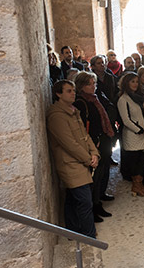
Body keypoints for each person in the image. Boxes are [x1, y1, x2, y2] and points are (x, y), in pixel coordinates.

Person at [47, 80, 99, 238]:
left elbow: (84, 135)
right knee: (84, 200)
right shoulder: (56, 116)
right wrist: (87, 159)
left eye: (73, 90)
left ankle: (72, 230)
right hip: (70, 164)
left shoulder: (73, 111)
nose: (73, 93)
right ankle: (89, 235)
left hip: (81, 161)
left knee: (72, 198)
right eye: (69, 91)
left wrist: (94, 153)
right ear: (58, 94)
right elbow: (69, 143)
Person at [73, 71, 115, 221]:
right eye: (89, 84)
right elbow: (82, 127)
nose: (93, 86)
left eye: (94, 83)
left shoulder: (95, 99)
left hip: (102, 140)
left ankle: (98, 200)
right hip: (93, 143)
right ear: (81, 86)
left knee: (102, 172)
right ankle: (93, 207)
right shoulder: (81, 102)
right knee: (94, 176)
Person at [117, 72, 144, 197]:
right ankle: (137, 185)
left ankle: (138, 184)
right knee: (135, 161)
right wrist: (141, 130)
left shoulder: (139, 96)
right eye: (132, 81)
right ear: (126, 83)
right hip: (133, 135)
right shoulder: (123, 99)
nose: (135, 84)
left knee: (143, 159)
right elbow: (126, 120)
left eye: (136, 82)